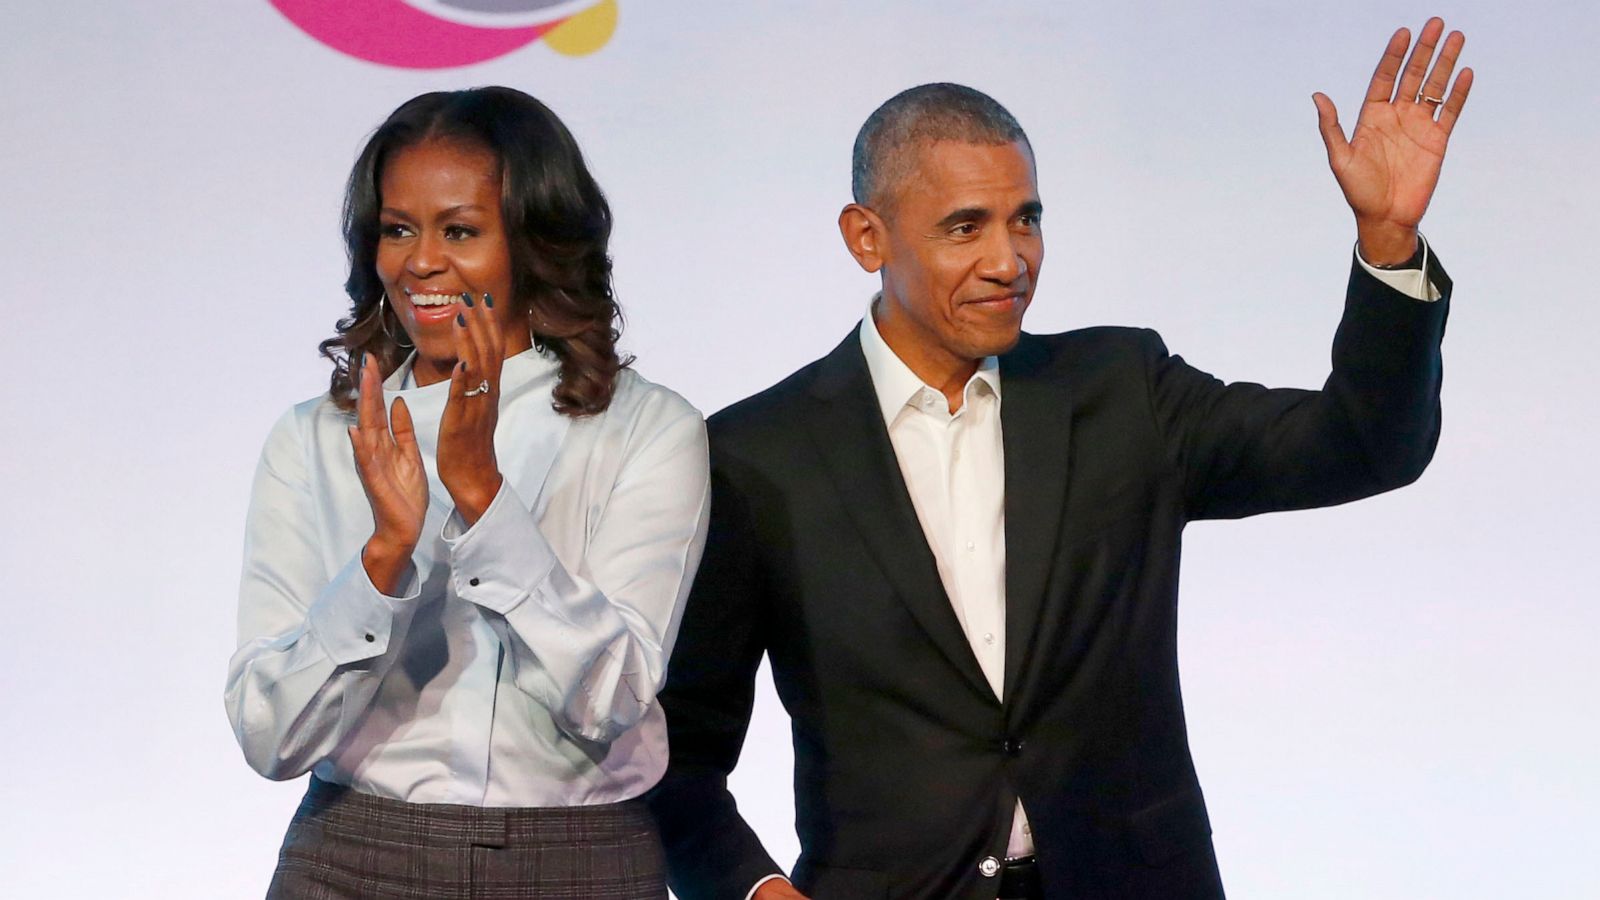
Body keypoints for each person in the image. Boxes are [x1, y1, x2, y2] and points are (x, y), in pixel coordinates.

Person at [648, 18, 1471, 900]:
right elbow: (674, 759)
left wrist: (1387, 239)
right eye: (966, 227)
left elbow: (1363, 446)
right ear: (866, 238)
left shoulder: (1123, 391)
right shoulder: (755, 457)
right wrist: (756, 893)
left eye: (1026, 219)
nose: (1010, 259)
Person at [224, 86, 708, 899]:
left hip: (579, 857)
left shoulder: (647, 428)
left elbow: (613, 697)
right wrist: (382, 562)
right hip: (352, 855)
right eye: (397, 229)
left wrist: (484, 502)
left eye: (460, 231)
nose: (421, 262)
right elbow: (271, 736)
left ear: (532, 241)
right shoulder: (313, 438)